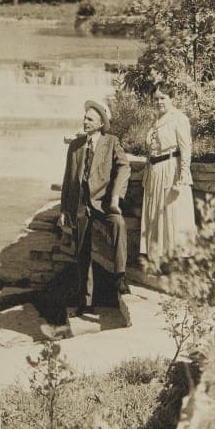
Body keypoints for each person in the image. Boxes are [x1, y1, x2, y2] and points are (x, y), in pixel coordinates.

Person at [59, 99, 131, 314]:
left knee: (118, 224)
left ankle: (119, 277)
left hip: (103, 203)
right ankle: (84, 301)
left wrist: (116, 196)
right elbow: (67, 179)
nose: (84, 121)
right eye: (84, 118)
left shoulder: (111, 142)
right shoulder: (76, 145)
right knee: (82, 253)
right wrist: (64, 210)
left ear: (101, 124)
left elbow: (124, 167)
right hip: (81, 204)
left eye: (90, 119)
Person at [139, 85, 196, 271]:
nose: (159, 102)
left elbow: (186, 149)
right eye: (156, 99)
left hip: (171, 169)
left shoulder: (179, 119)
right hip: (155, 171)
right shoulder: (156, 120)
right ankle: (157, 258)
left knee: (172, 213)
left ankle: (175, 262)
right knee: (154, 212)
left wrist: (183, 175)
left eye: (163, 98)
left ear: (171, 98)